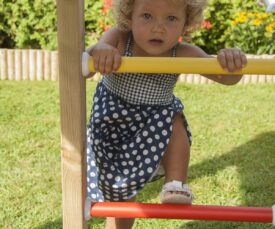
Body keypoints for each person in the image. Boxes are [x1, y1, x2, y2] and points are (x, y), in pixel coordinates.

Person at [86, 0, 247, 228]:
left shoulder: (181, 53)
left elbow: (226, 78)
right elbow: (89, 61)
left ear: (185, 24)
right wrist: (100, 50)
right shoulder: (119, 38)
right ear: (129, 16)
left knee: (173, 117)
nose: (158, 27)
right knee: (121, 200)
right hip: (113, 127)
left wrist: (232, 62)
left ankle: (176, 184)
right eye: (147, 16)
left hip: (154, 126)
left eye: (171, 19)